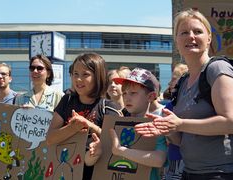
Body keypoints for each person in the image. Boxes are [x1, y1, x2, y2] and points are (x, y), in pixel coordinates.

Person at [135, 9, 233, 180]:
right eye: (184, 32)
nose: (191, 36)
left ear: (209, 38)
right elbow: (182, 139)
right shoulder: (183, 81)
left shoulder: (217, 69)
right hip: (190, 172)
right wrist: (167, 129)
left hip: (220, 173)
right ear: (177, 41)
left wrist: (179, 124)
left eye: (197, 31)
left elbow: (230, 122)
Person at [46, 52, 121, 180]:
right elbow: (50, 138)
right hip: (64, 172)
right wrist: (73, 128)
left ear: (98, 77)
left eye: (85, 74)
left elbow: (116, 143)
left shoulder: (108, 107)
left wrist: (90, 125)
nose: (78, 79)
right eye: (75, 74)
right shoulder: (67, 100)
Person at [86, 68, 167, 180]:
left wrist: (122, 151)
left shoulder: (155, 126)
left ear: (150, 96)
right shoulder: (116, 124)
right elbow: (88, 162)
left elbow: (160, 159)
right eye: (124, 93)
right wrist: (94, 154)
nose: (127, 98)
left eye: (133, 93)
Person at [162, 63, 188, 180]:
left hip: (184, 160)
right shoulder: (169, 106)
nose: (169, 83)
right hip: (174, 157)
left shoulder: (173, 106)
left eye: (173, 79)